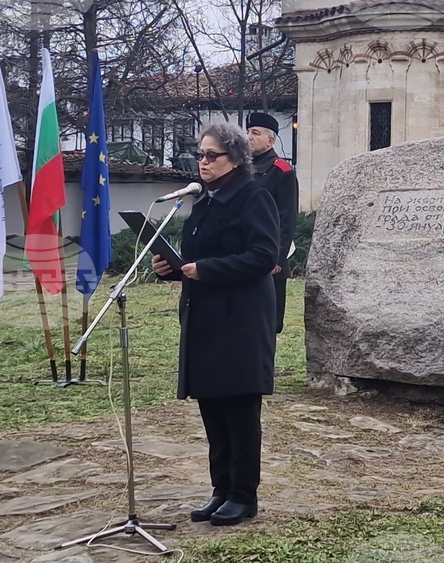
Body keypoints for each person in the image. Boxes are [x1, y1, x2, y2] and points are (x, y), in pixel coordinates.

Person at [151, 123, 280, 526]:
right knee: (213, 408)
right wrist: (171, 269)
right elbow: (196, 259)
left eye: (211, 156)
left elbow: (263, 256)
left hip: (239, 319)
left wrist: (203, 269)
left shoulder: (253, 196)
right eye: (200, 155)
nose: (202, 163)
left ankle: (244, 495)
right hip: (205, 317)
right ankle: (221, 489)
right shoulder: (203, 201)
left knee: (239, 410)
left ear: (235, 159)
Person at [246, 112, 299, 335]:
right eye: (248, 132)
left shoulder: (282, 172)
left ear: (271, 140)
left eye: (255, 133)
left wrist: (277, 257)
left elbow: (287, 219)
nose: (249, 137)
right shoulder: (240, 169)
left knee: (267, 325)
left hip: (270, 260)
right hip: (244, 255)